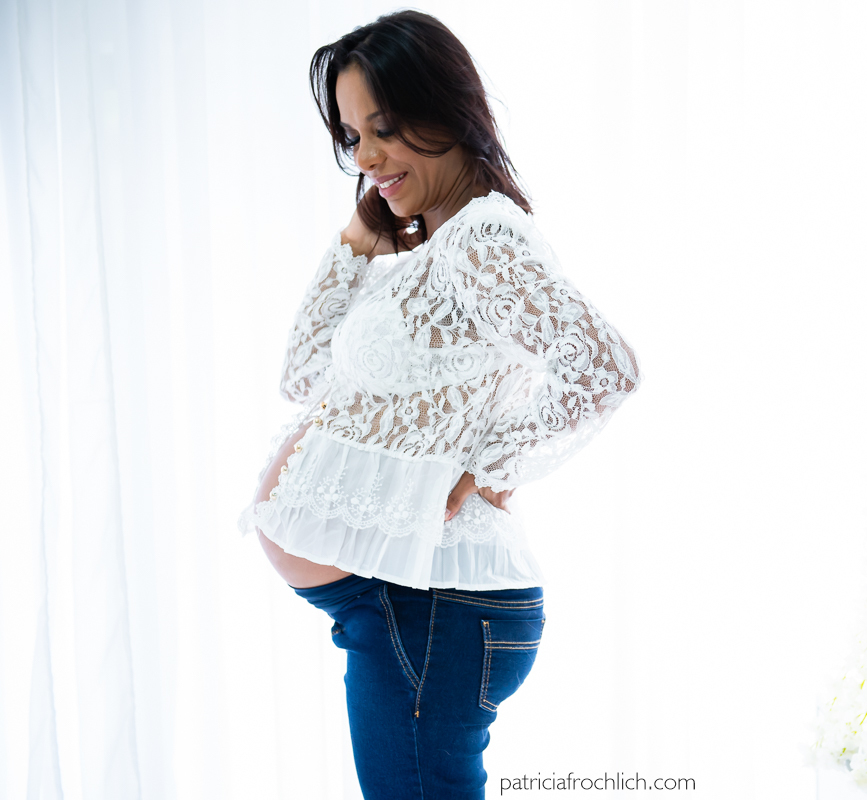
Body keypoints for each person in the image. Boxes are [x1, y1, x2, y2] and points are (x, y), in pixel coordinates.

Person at [235, 9, 642, 800]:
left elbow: (604, 365)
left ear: (449, 110)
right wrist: (359, 235)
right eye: (353, 136)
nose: (368, 157)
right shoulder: (445, 245)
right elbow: (303, 375)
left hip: (428, 608)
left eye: (384, 128)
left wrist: (493, 469)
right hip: (406, 608)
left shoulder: (484, 236)